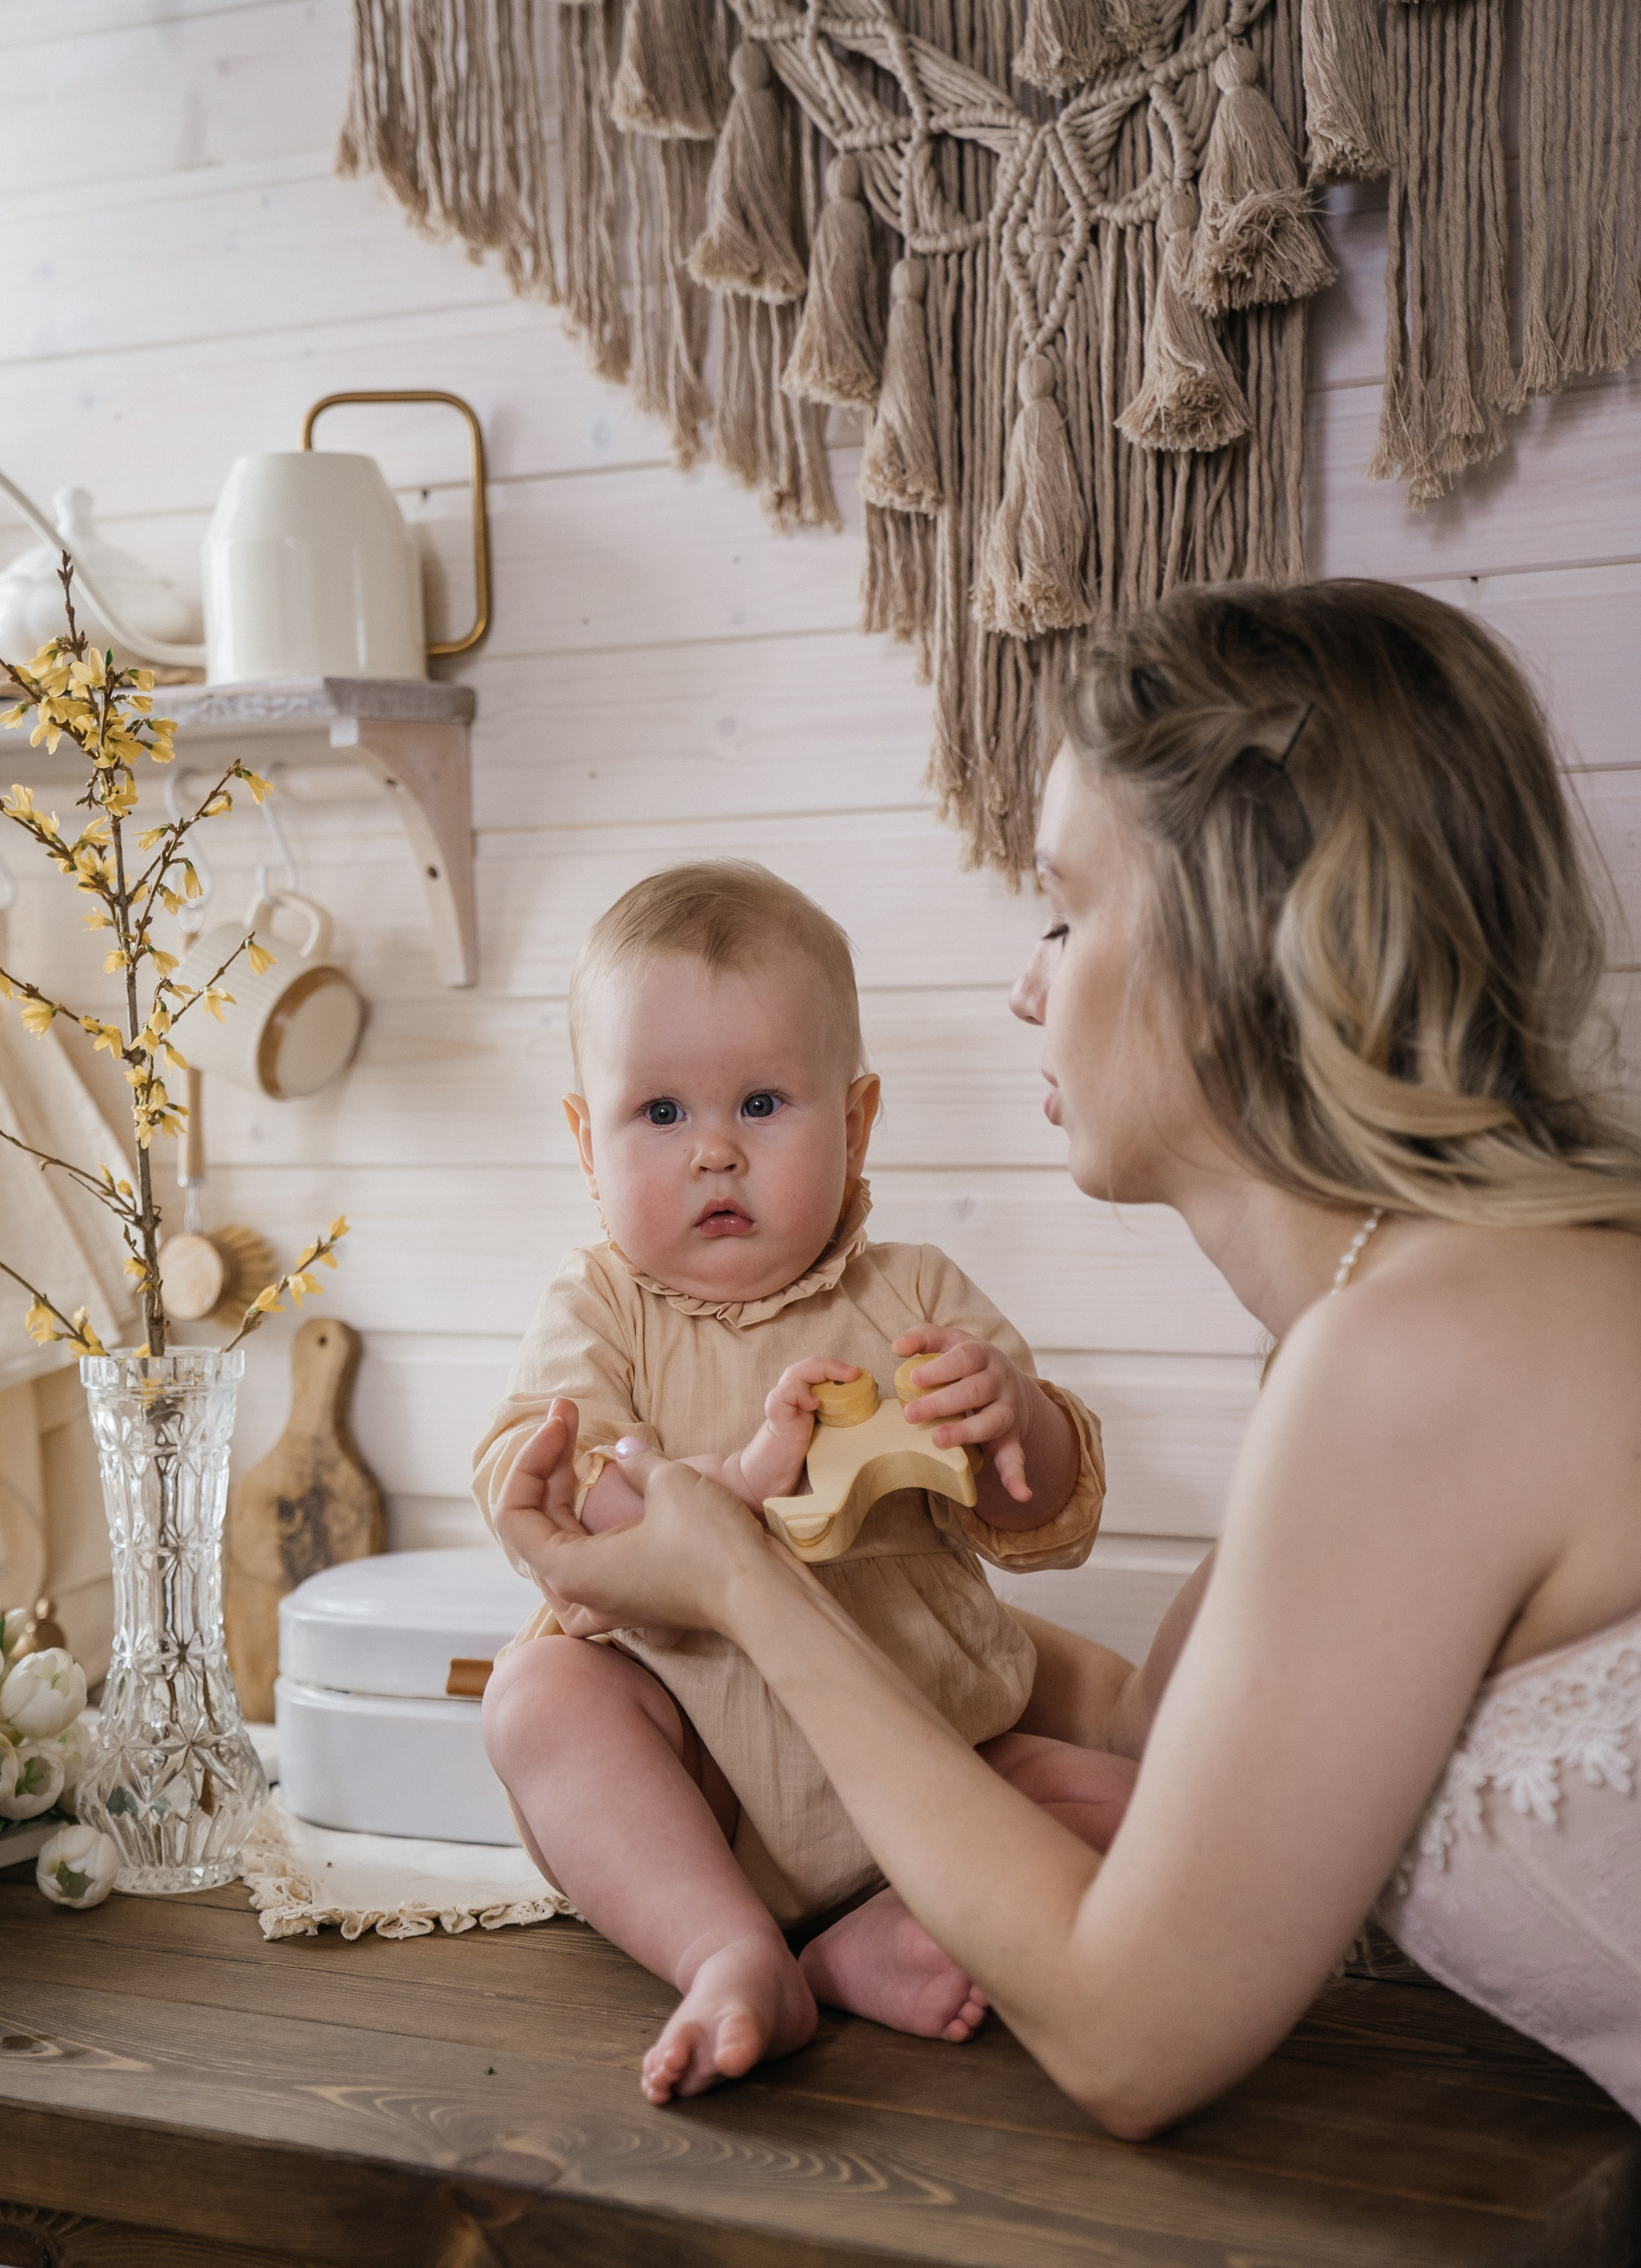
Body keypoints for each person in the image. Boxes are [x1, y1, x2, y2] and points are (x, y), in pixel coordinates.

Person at [493, 578, 1641, 2136]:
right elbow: (1183, 1756)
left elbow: (1130, 2038)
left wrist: (742, 1578)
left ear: (1236, 946)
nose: (1024, 985)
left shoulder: (1416, 1355)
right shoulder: (1421, 1317)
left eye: (1059, 908)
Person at [474, 863, 1128, 2107]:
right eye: (659, 1114)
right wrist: (731, 1480)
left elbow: (1034, 1518)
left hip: (931, 1761)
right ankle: (724, 1947)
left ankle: (848, 1946)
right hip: (695, 1785)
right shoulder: (596, 1309)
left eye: (763, 1103)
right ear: (584, 1141)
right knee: (541, 1698)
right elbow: (560, 1504)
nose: (714, 1149)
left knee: (1155, 1830)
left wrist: (1014, 1421)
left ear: (856, 1122)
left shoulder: (916, 1299)